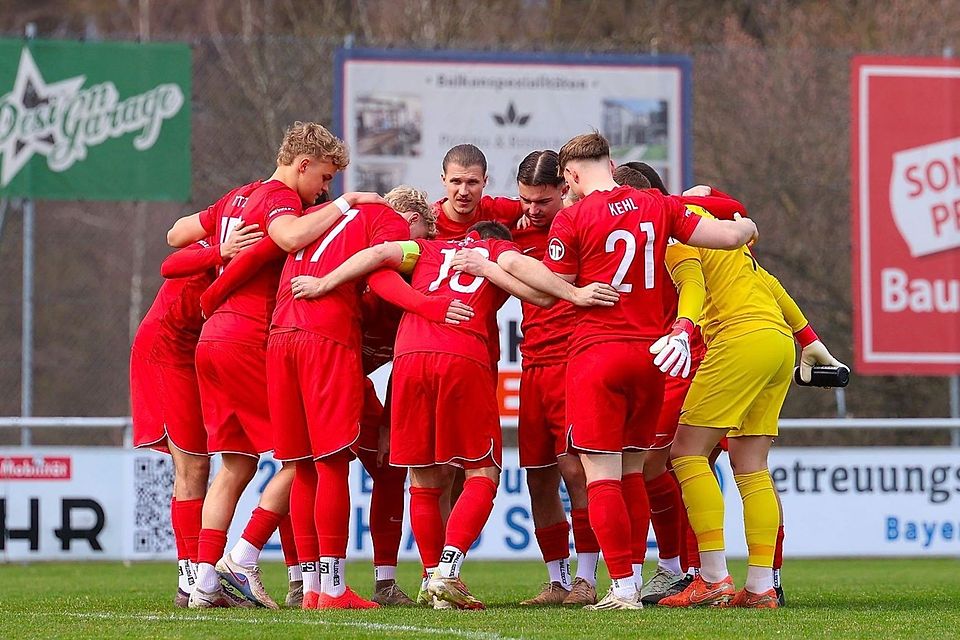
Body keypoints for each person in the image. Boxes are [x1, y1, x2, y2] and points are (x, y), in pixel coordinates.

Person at [493, 132, 758, 610]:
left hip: (598, 355)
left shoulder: (572, 217)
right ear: (611, 165)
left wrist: (501, 263)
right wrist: (746, 226)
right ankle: (638, 574)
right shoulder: (656, 204)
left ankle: (622, 587)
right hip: (652, 357)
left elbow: (550, 292)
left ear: (570, 176)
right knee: (635, 471)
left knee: (602, 477)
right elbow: (728, 236)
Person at [297, 220, 619, 609]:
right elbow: (537, 287)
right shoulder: (492, 250)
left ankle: (433, 582)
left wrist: (323, 282)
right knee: (483, 472)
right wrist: (573, 292)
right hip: (461, 354)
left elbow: (379, 256)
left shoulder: (427, 250)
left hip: (410, 358)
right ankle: (448, 570)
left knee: (423, 478)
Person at [166, 121, 379, 609]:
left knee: (235, 466)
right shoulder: (280, 199)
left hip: (213, 338)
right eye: (324, 179)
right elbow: (287, 236)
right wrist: (346, 205)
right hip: (248, 336)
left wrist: (219, 252)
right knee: (303, 457)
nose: (325, 190)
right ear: (302, 165)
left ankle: (202, 585)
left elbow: (176, 233)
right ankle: (241, 559)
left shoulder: (239, 196)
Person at [658, 201, 844, 609]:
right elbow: (770, 283)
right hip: (777, 342)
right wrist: (809, 340)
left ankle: (710, 578)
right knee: (751, 465)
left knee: (686, 452)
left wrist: (683, 326)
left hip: (738, 339)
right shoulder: (709, 223)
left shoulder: (672, 227)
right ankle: (761, 586)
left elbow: (692, 283)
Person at [131, 224, 260, 608]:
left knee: (196, 468)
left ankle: (194, 578)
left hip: (188, 352)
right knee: (193, 469)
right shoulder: (233, 237)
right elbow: (171, 258)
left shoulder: (239, 232)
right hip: (167, 353)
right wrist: (221, 249)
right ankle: (191, 581)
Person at [508, 150, 599, 606]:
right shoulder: (514, 230)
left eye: (541, 200)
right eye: (525, 200)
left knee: (574, 470)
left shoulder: (582, 224)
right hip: (532, 368)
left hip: (571, 362)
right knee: (539, 477)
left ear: (564, 189)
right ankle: (557, 579)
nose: (532, 209)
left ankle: (587, 577)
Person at [433, 144, 524, 240]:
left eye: (472, 182)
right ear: (444, 180)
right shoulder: (427, 222)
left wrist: (528, 213)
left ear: (485, 181)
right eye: (456, 182)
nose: (463, 192)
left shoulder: (499, 209)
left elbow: (535, 203)